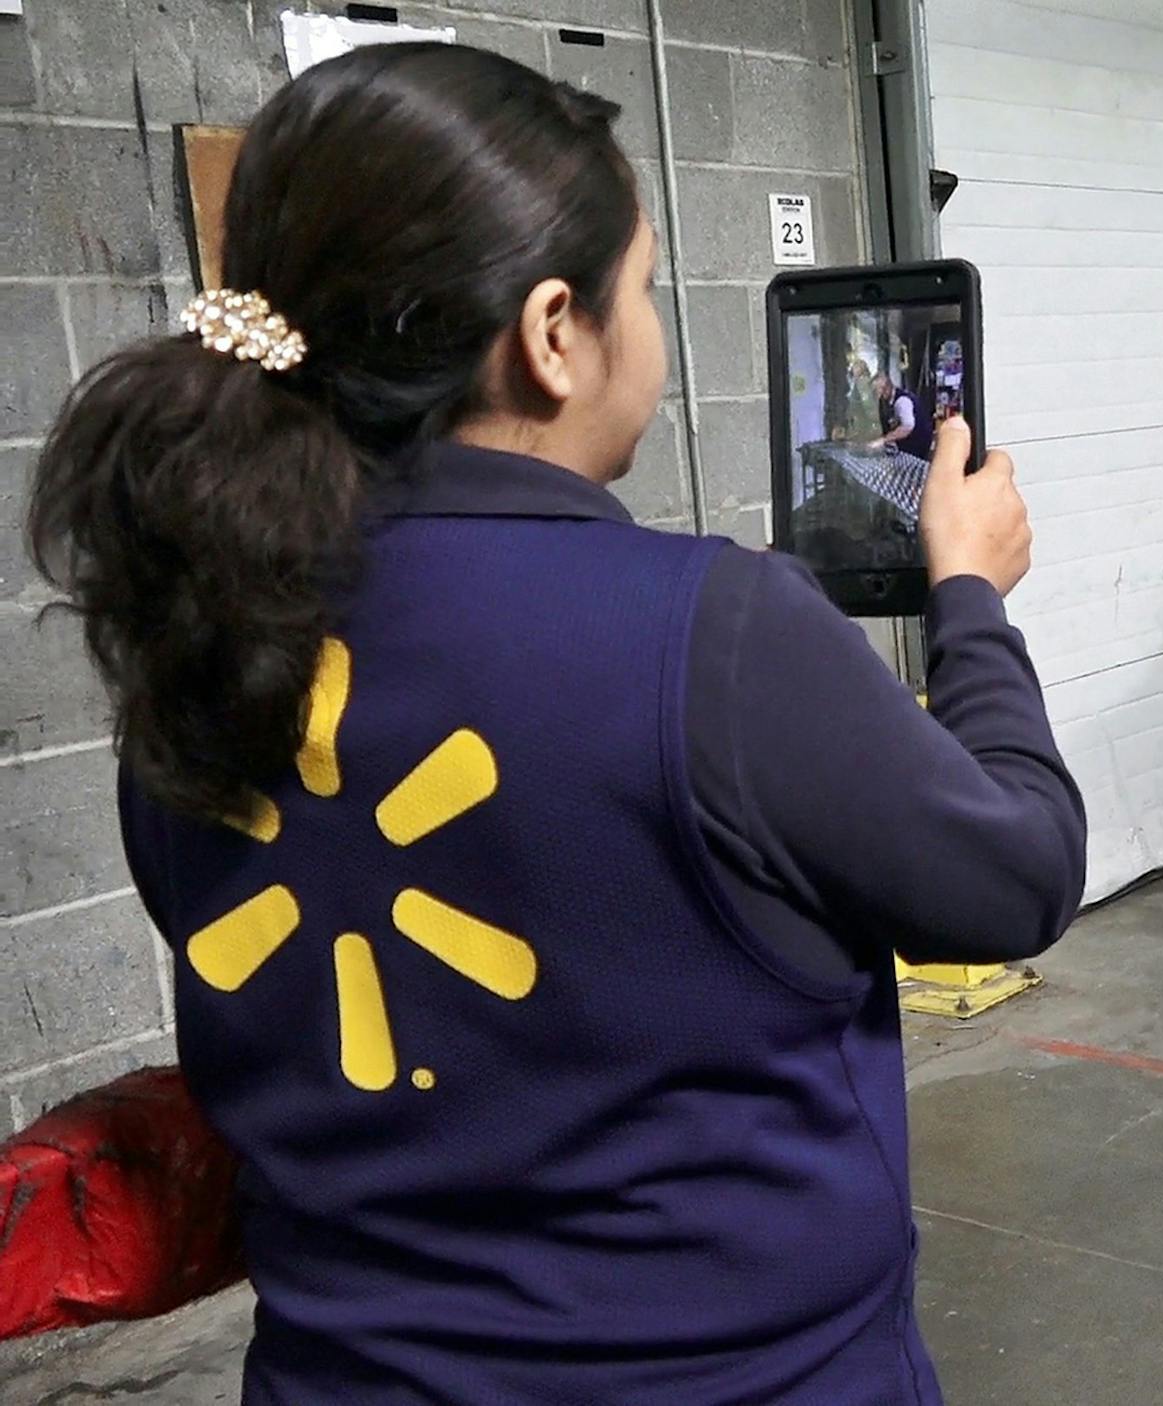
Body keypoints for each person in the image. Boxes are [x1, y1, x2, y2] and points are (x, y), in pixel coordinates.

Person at [26, 43, 1084, 1406]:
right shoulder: (718, 637)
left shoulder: (196, 642)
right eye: (640, 286)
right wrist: (970, 598)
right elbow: (1018, 871)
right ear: (550, 334)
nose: (649, 323)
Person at [871, 370, 937, 461]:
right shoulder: (892, 400)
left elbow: (907, 427)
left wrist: (884, 440)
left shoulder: (901, 401)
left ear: (885, 389)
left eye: (876, 391)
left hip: (918, 449)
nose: (876, 395)